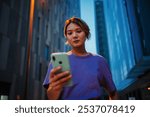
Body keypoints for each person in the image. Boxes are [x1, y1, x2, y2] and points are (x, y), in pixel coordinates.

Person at [43, 17, 118, 100]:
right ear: (67, 37)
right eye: (70, 33)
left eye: (78, 31)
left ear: (86, 33)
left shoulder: (99, 61)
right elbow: (51, 99)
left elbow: (113, 93)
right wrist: (53, 89)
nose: (74, 35)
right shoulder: (57, 61)